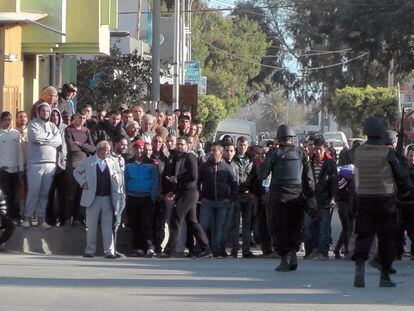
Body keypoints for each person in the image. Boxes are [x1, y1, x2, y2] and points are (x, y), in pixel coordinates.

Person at [352, 117, 410, 288]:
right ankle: (384, 276)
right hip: (386, 200)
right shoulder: (388, 152)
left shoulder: (357, 151)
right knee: (387, 238)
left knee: (363, 236)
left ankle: (359, 268)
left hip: (363, 198)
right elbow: (401, 178)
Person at [258, 124, 315, 272]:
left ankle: (284, 260)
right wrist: (310, 196)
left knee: (279, 228)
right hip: (297, 196)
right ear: (291, 138)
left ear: (279, 138)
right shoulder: (302, 153)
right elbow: (309, 179)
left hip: (279, 196)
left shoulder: (274, 154)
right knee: (295, 227)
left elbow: (262, 174)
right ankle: (293, 256)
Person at [158, 136, 211, 258]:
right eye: (178, 144)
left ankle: (168, 250)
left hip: (190, 192)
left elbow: (193, 176)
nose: (179, 146)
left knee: (175, 219)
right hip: (183, 192)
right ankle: (205, 248)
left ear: (188, 145)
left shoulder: (190, 157)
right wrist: (174, 191)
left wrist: (177, 179)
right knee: (192, 221)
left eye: (182, 144)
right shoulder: (177, 157)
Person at [73, 141, 120, 259]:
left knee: (107, 226)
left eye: (109, 150)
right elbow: (76, 172)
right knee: (92, 225)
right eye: (106, 149)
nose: (108, 152)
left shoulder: (111, 162)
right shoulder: (89, 162)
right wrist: (83, 183)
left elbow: (115, 177)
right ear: (99, 150)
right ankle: (89, 250)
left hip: (107, 198)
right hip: (93, 198)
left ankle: (109, 251)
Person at [22, 103, 62, 228]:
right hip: (35, 164)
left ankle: (41, 219)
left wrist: (45, 140)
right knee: (33, 191)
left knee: (44, 194)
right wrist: (50, 140)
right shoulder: (32, 124)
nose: (45, 112)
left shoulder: (53, 126)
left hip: (50, 164)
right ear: (39, 112)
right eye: (43, 110)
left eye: (47, 110)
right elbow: (35, 137)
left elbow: (59, 141)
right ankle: (27, 218)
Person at [198, 142, 238, 258]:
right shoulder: (204, 166)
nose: (211, 153)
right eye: (211, 150)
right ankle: (202, 249)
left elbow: (234, 183)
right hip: (207, 201)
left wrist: (231, 197)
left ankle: (217, 251)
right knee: (203, 226)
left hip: (222, 202)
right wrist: (200, 196)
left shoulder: (227, 167)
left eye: (214, 150)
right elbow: (198, 182)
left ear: (220, 153)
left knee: (219, 228)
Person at [304, 138, 338, 260]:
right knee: (308, 227)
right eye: (315, 148)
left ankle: (323, 252)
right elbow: (305, 181)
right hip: (310, 201)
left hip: (325, 200)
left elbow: (334, 182)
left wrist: (333, 198)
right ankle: (310, 251)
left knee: (324, 227)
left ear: (325, 149)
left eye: (320, 148)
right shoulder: (309, 163)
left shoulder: (330, 163)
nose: (317, 151)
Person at [124, 140, 158, 257]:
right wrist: (126, 195)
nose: (139, 150)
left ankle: (149, 247)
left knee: (147, 223)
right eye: (137, 148)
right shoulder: (128, 163)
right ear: (134, 149)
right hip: (132, 197)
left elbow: (155, 181)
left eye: (141, 148)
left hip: (146, 198)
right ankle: (138, 248)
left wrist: (153, 197)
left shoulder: (150, 163)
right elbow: (125, 180)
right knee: (134, 224)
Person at [64, 110, 96, 226]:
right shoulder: (68, 129)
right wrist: (82, 147)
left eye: (83, 118)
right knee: (71, 192)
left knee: (82, 192)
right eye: (79, 118)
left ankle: (78, 218)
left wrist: (81, 144)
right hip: (73, 162)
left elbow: (92, 148)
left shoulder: (86, 131)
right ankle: (68, 218)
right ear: (74, 118)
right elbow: (71, 148)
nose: (82, 120)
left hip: (84, 163)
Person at [230, 136, 255, 258]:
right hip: (235, 195)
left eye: (245, 145)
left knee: (247, 224)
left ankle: (246, 250)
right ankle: (234, 250)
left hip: (248, 195)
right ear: (237, 145)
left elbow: (254, 177)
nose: (242, 147)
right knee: (234, 224)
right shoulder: (232, 159)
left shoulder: (251, 159)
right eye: (240, 145)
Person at [0, 112, 24, 222]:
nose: (8, 122)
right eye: (5, 120)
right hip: (4, 170)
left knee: (15, 194)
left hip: (15, 169)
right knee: (5, 194)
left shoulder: (16, 134)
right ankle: (7, 217)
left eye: (9, 119)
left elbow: (20, 152)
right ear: (1, 121)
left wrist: (21, 168)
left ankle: (16, 216)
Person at [46, 109, 67, 226]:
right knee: (49, 194)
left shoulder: (64, 128)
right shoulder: (46, 128)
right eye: (52, 115)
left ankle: (62, 218)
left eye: (56, 115)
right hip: (49, 165)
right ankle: (50, 219)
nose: (54, 117)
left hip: (62, 166)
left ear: (59, 116)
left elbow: (64, 146)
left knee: (62, 194)